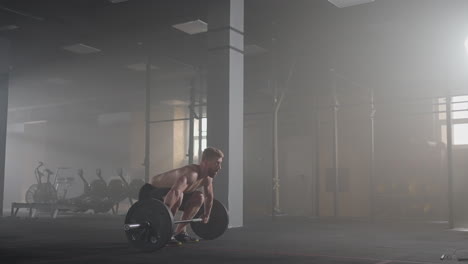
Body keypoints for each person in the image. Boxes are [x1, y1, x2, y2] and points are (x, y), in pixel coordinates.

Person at [138, 147, 224, 244]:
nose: (220, 167)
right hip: (151, 191)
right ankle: (165, 233)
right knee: (179, 196)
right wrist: (162, 218)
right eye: (217, 163)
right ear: (205, 162)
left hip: (172, 193)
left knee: (199, 197)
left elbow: (208, 197)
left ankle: (180, 232)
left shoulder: (207, 179)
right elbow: (174, 193)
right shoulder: (192, 174)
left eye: (220, 163)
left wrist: (207, 214)